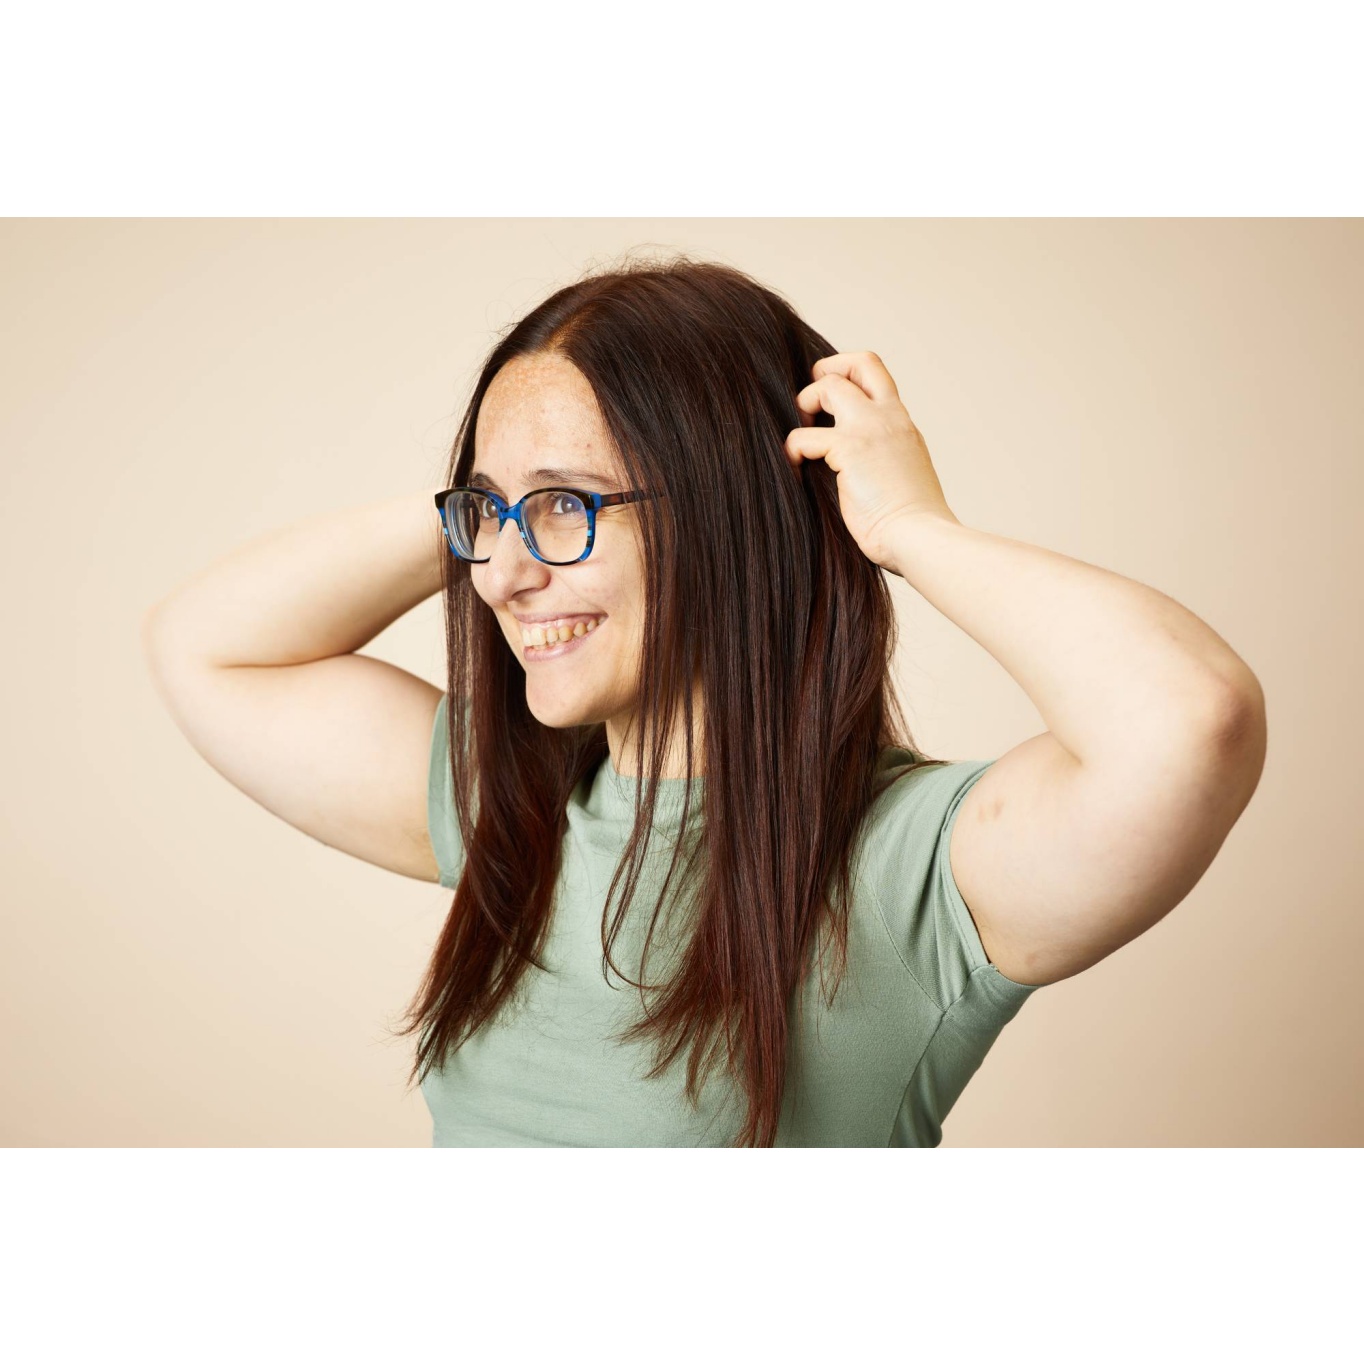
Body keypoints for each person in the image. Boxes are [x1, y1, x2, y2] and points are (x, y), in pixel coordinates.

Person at [142, 251, 1267, 1147]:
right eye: (486, 517)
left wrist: (906, 528)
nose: (499, 576)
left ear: (731, 511)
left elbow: (1190, 718)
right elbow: (205, 649)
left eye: (568, 507)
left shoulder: (908, 871)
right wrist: (504, 490)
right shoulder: (513, 811)